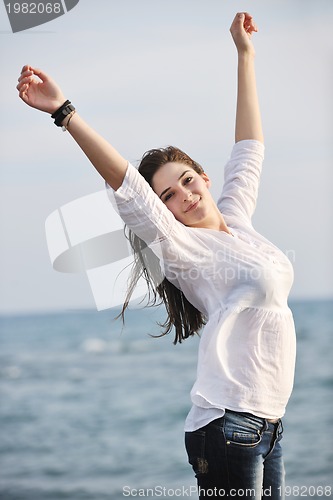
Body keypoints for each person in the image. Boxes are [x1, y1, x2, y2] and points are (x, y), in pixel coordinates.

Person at [17, 12, 296, 500]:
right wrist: (64, 112)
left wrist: (245, 55)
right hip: (228, 424)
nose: (183, 196)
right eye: (168, 195)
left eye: (187, 181)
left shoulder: (238, 220)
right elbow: (126, 184)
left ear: (204, 179)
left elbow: (250, 147)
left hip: (267, 426)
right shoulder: (181, 247)